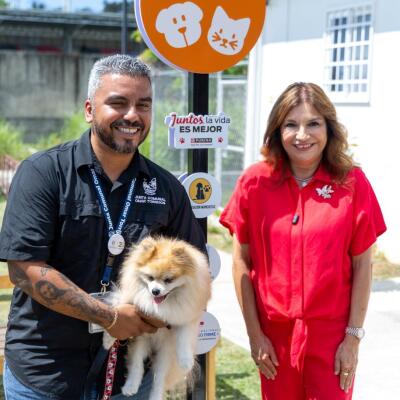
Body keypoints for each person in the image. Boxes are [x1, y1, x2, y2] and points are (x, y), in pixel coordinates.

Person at [0, 54, 206, 399]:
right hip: (47, 374)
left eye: (143, 105)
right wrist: (109, 316)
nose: (132, 115)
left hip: (131, 378)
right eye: (118, 103)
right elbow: (24, 269)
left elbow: (196, 272)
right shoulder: (43, 173)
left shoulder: (166, 188)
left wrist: (162, 313)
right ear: (89, 109)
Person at [219, 82, 386, 400]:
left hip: (333, 339)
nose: (302, 135)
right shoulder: (254, 182)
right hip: (275, 339)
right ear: (277, 130)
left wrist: (352, 339)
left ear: (329, 128)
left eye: (313, 123)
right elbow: (241, 262)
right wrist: (255, 336)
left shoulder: (352, 183)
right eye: (291, 124)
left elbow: (363, 265)